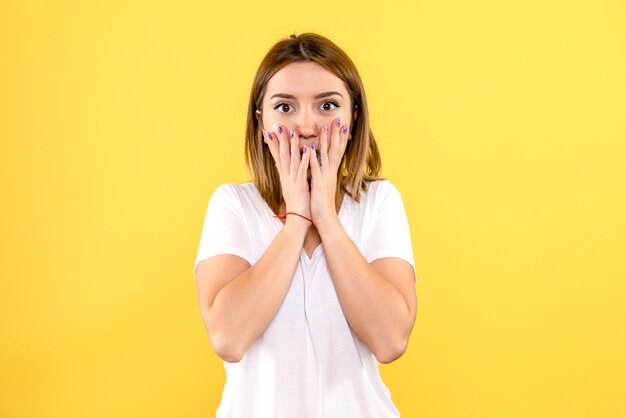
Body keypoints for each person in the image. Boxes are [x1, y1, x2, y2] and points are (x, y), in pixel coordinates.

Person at [194, 32, 417, 418]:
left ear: (354, 117)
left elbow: (390, 340)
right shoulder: (233, 205)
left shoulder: (379, 203)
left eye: (328, 105)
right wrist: (297, 219)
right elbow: (228, 337)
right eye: (285, 107)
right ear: (261, 121)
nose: (307, 126)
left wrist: (327, 220)